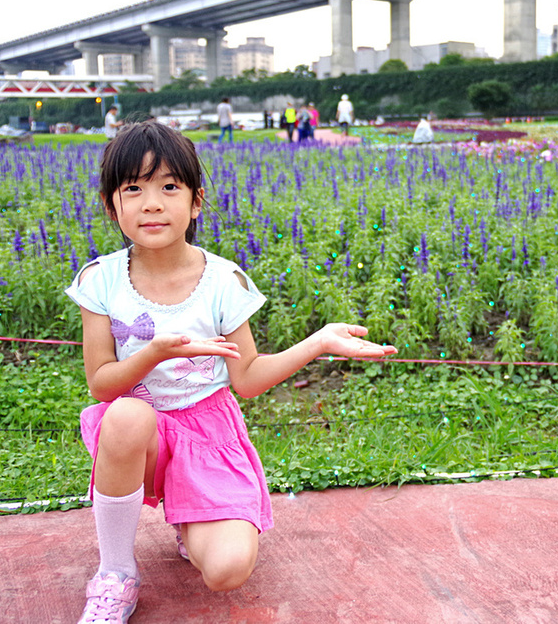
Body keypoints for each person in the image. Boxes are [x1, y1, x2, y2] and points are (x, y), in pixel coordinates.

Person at [66, 121, 395, 623]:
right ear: (113, 207)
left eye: (168, 187)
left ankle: (190, 519)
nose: (151, 203)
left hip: (207, 434)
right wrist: (155, 353)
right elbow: (102, 383)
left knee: (227, 569)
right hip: (141, 434)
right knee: (127, 414)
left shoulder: (224, 280)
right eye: (133, 188)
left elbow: (247, 378)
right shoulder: (100, 279)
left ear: (196, 201)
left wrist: (319, 342)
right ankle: (116, 571)